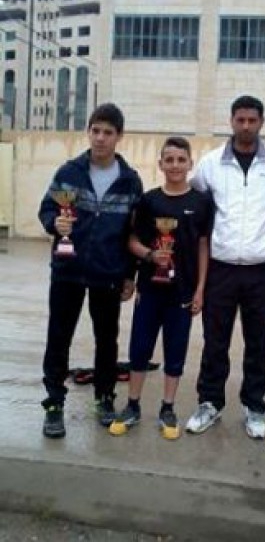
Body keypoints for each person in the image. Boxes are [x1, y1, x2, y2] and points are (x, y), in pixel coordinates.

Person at [185, 95, 265, 440]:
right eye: (240, 120)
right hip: (221, 268)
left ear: (261, 122)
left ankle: (254, 406)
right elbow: (198, 208)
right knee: (215, 340)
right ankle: (210, 403)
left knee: (259, 342)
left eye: (252, 120)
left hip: (262, 270)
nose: (246, 126)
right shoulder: (210, 164)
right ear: (231, 121)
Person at [38, 103, 143, 439]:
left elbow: (134, 232)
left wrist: (130, 275)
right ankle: (54, 404)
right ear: (89, 132)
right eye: (95, 130)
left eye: (108, 132)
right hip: (67, 270)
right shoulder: (69, 172)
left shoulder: (130, 181)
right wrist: (54, 223)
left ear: (119, 136)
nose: (100, 138)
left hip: (107, 273)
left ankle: (104, 398)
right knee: (59, 337)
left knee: (106, 340)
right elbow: (47, 209)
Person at [109, 137, 211, 440]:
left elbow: (204, 247)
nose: (175, 165)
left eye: (181, 160)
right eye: (169, 160)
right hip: (150, 290)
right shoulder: (149, 201)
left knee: (175, 351)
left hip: (183, 292)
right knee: (140, 348)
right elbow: (132, 241)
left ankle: (168, 408)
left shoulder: (201, 202)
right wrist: (151, 255)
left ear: (190, 163)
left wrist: (200, 289)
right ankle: (132, 405)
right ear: (160, 164)